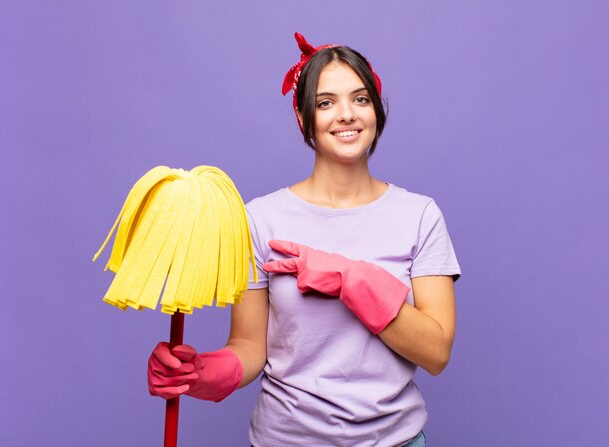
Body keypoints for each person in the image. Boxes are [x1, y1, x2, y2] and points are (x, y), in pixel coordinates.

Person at [147, 33, 461, 447]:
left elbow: (436, 352)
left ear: (376, 112)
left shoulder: (420, 216)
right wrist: (201, 373)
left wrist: (353, 281)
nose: (346, 114)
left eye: (361, 99)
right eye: (326, 102)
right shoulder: (261, 219)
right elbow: (247, 347)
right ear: (302, 116)